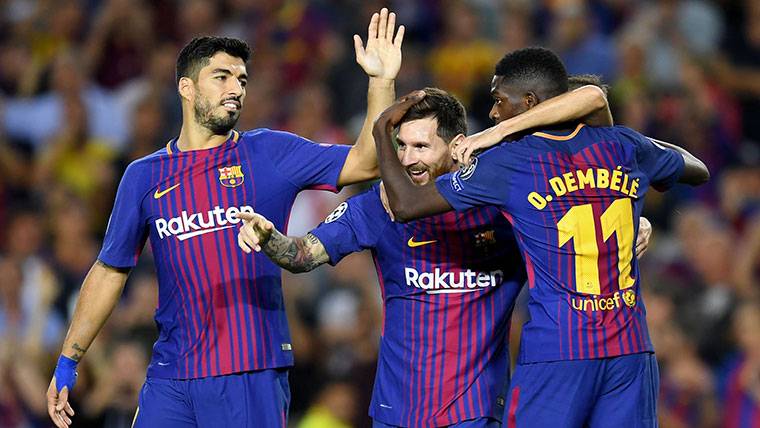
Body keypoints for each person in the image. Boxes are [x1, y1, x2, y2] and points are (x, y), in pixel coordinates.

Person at [45, 8, 405, 428]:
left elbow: (367, 163)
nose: (236, 88)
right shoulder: (143, 176)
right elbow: (110, 270)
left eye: (242, 80)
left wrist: (381, 82)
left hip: (249, 370)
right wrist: (69, 360)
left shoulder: (268, 153)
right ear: (186, 87)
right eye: (222, 77)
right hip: (172, 374)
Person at [236, 86, 655, 427]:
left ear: (457, 146)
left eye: (421, 146)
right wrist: (272, 237)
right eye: (400, 146)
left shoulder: (503, 209)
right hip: (395, 413)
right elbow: (303, 254)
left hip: (473, 414)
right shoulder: (378, 207)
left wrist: (634, 225)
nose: (407, 159)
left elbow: (583, 213)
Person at [373, 47, 710, 427]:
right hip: (630, 349)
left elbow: (404, 204)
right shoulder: (624, 145)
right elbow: (697, 170)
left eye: (500, 101)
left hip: (559, 349)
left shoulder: (510, 162)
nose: (495, 113)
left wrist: (382, 132)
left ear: (530, 103)